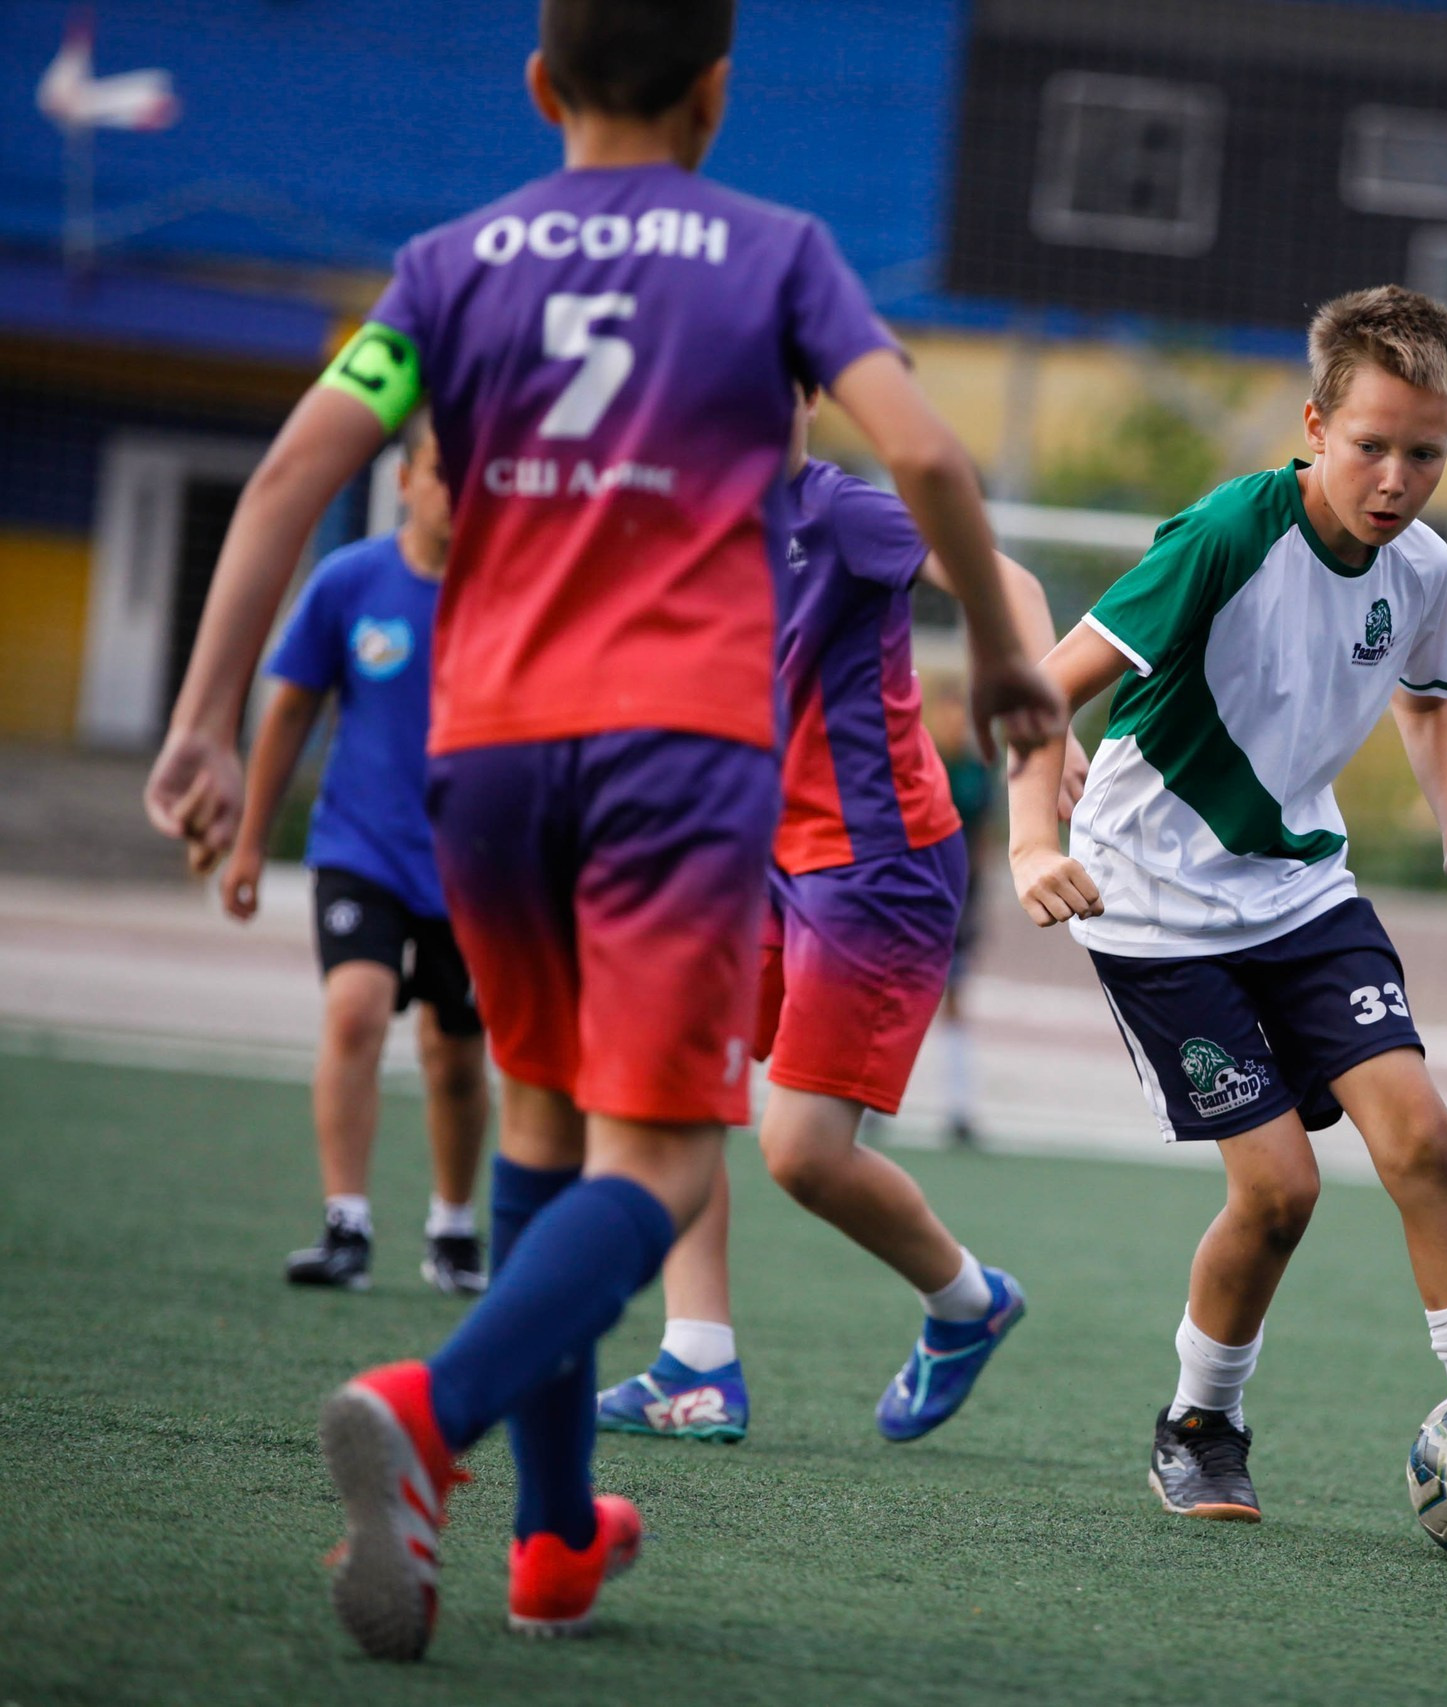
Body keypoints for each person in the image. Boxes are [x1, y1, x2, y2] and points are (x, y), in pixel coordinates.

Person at [142, 0, 1062, 1659]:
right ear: (718, 92)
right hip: (674, 770)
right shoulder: (776, 253)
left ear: (539, 84)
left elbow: (291, 471)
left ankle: (556, 1543)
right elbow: (919, 446)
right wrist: (1000, 663)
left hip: (485, 756)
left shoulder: (444, 263)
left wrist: (206, 718)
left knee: (543, 1127)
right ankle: (437, 1416)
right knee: (660, 1161)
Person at [1006, 285, 1447, 1570]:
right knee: (1277, 1193)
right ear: (1314, 425)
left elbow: (1429, 706)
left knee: (1424, 1141)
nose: (1396, 479)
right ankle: (1199, 1423)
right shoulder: (1227, 532)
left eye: (1426, 452)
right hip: (1153, 906)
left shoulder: (1425, 566)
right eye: (1371, 445)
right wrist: (1032, 840)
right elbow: (1036, 692)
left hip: (1300, 891)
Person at [597, 388, 1082, 1445]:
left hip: (875, 869)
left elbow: (1010, 583)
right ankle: (697, 1366)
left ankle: (966, 1302)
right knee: (672, 1095)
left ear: (811, 398)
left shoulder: (843, 514)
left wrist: (1036, 703)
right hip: (747, 859)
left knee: (802, 1154)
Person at [218, 420, 491, 1297]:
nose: (460, 490)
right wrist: (252, 840)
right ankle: (346, 1223)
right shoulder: (351, 581)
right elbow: (291, 710)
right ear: (406, 479)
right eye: (445, 472)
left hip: (474, 863)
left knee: (456, 1053)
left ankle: (453, 1228)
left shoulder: (512, 593)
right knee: (355, 1012)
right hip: (359, 845)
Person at [925, 674, 994, 1146]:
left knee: (952, 996)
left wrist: (973, 900)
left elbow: (982, 839)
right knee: (898, 996)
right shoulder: (920, 763)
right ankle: (868, 1103)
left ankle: (959, 1105)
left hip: (958, 898)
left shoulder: (975, 772)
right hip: (915, 892)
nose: (954, 724)